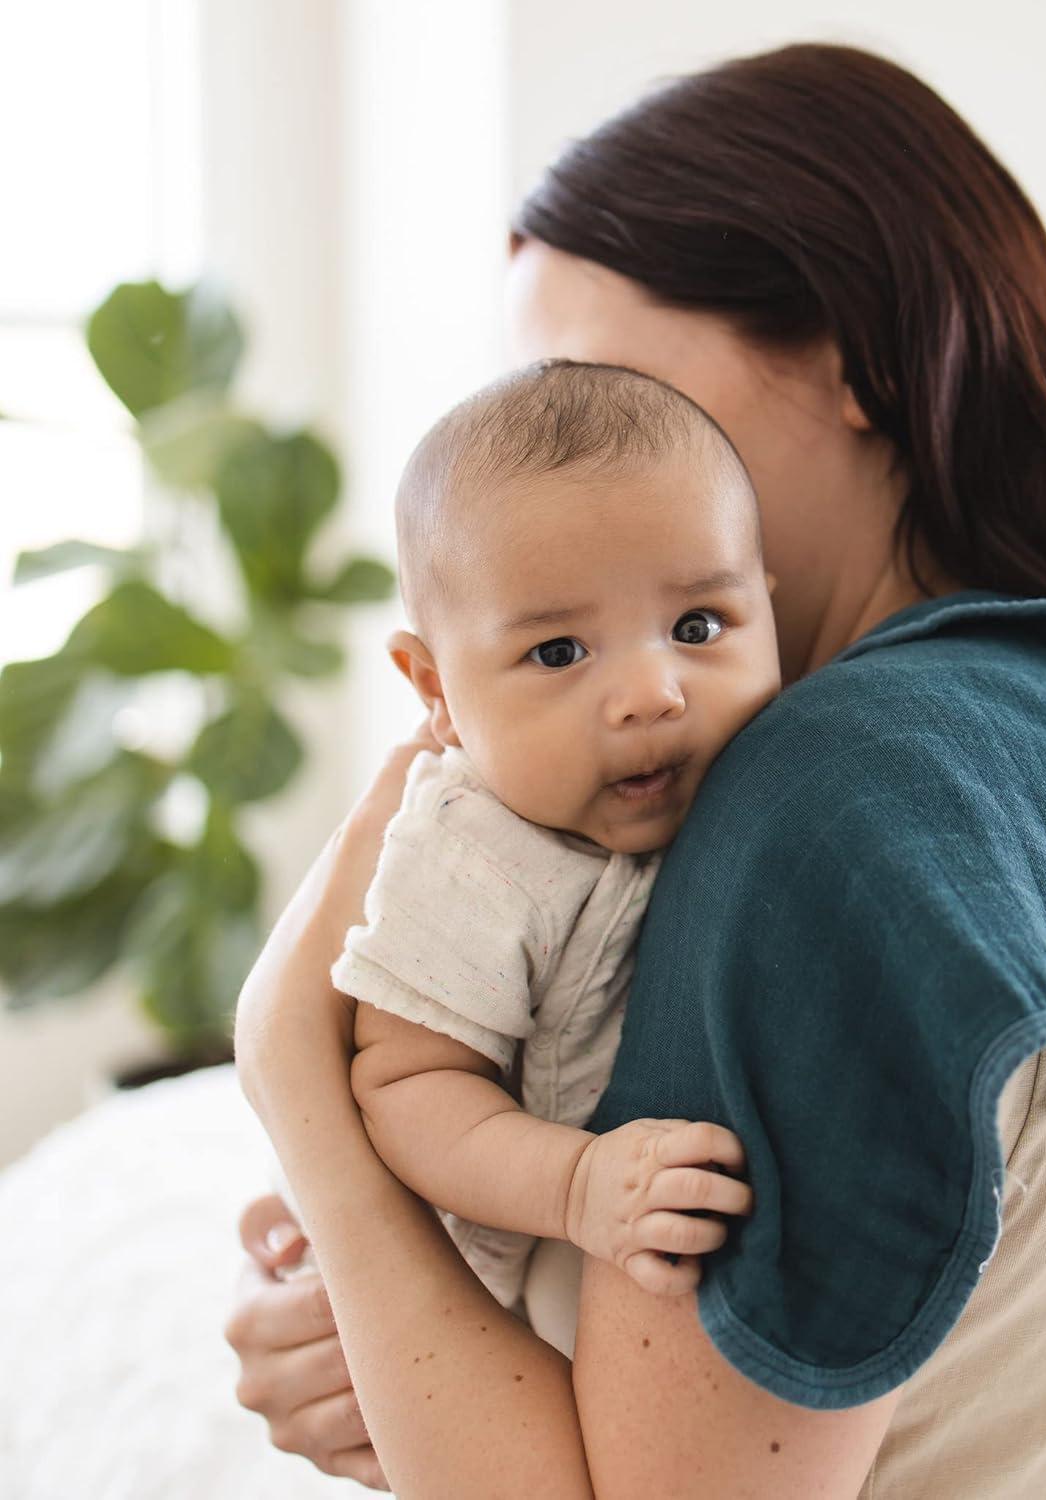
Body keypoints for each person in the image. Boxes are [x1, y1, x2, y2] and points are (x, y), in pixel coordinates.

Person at [226, 41, 1046, 1498]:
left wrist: (306, 1100)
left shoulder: (838, 804)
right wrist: (415, 1338)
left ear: (849, 356)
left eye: (594, 381)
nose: (552, 467)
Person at [277, 360, 777, 1316]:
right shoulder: (474, 851)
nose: (651, 695)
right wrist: (575, 1186)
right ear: (436, 691)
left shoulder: (759, 771)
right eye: (558, 652)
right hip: (496, 1257)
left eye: (698, 624)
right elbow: (410, 1088)